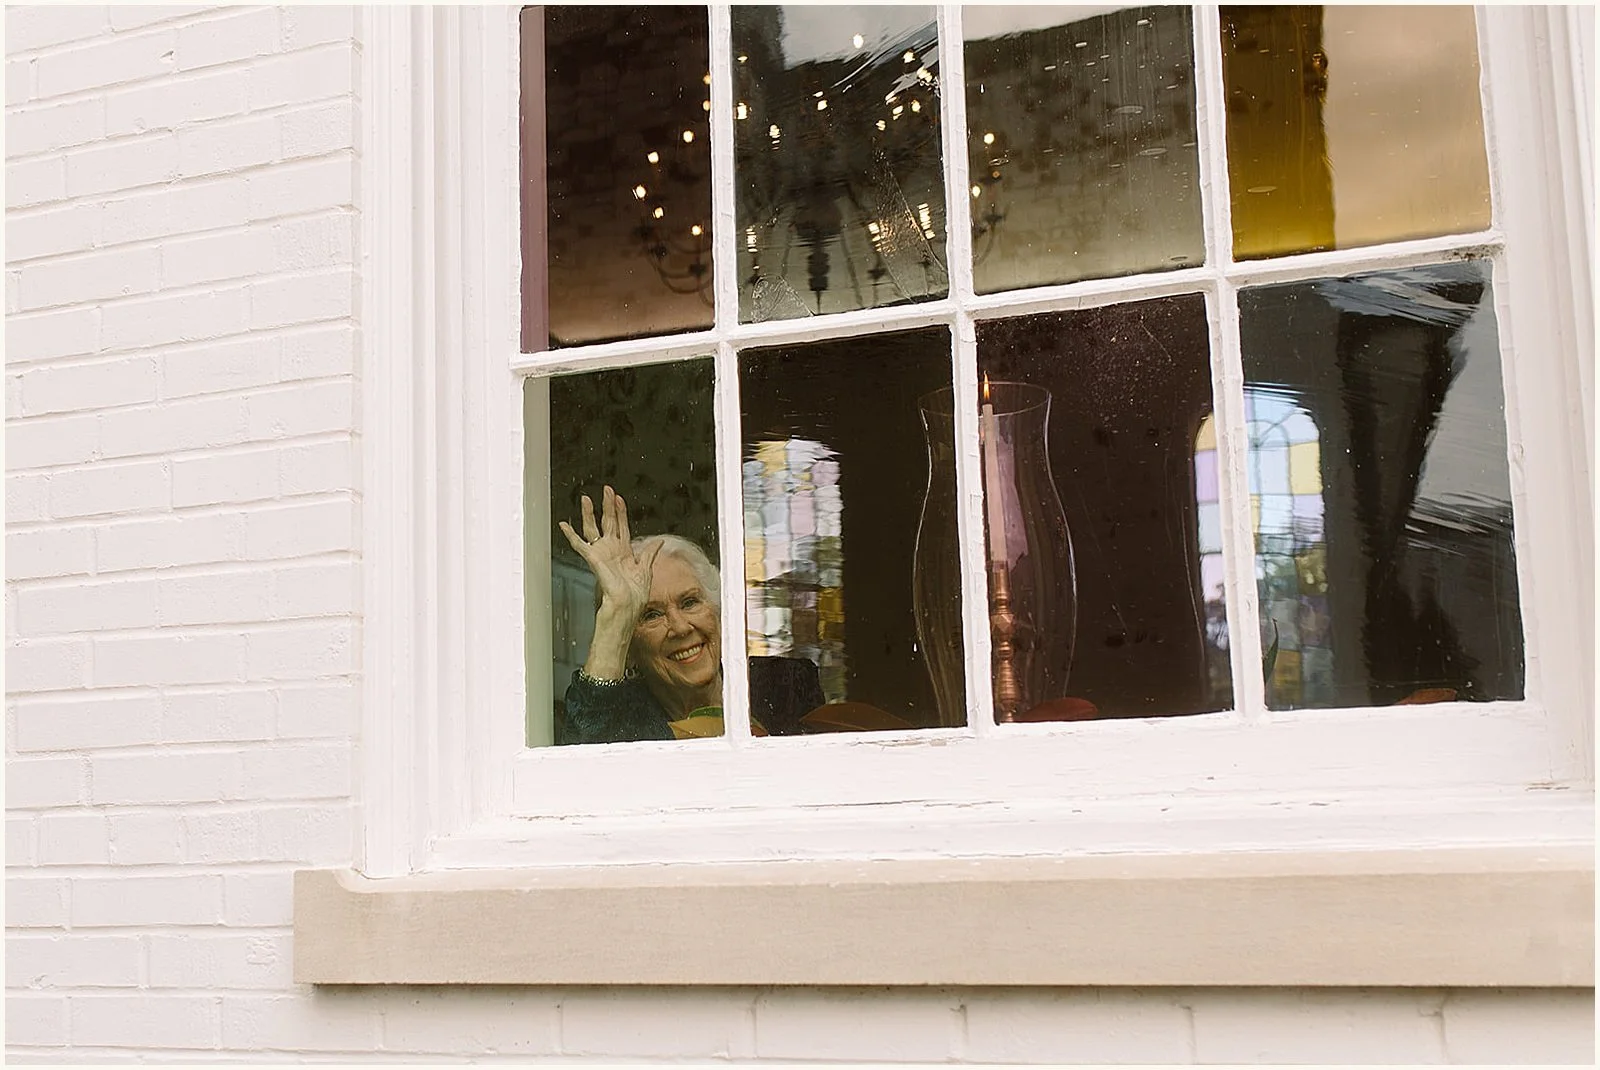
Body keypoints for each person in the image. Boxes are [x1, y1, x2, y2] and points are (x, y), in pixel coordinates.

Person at [556, 485, 824, 744]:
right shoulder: (620, 719)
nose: (681, 627)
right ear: (631, 648)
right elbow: (583, 770)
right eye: (651, 615)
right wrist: (618, 612)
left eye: (689, 602)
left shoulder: (786, 687)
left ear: (717, 611)